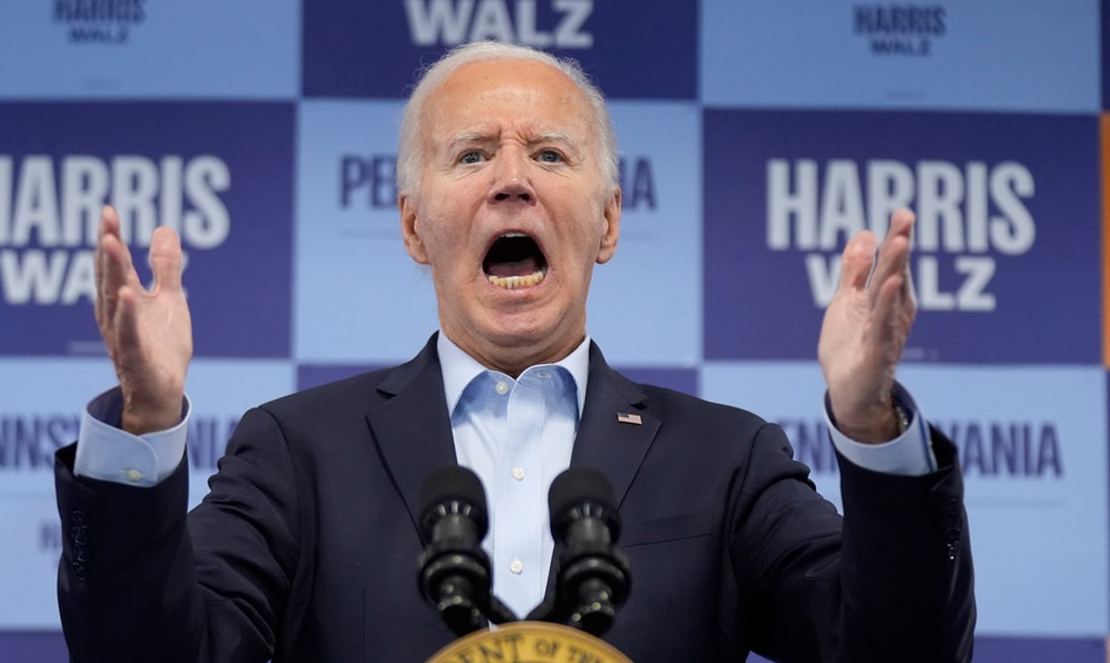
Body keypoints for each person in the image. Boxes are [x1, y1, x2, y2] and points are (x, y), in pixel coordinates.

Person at [54, 41, 975, 662]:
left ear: (607, 222)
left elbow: (898, 651)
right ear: (416, 228)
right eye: (470, 156)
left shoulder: (726, 458)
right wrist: (142, 424)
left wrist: (867, 425)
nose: (511, 180)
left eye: (550, 153)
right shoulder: (298, 451)